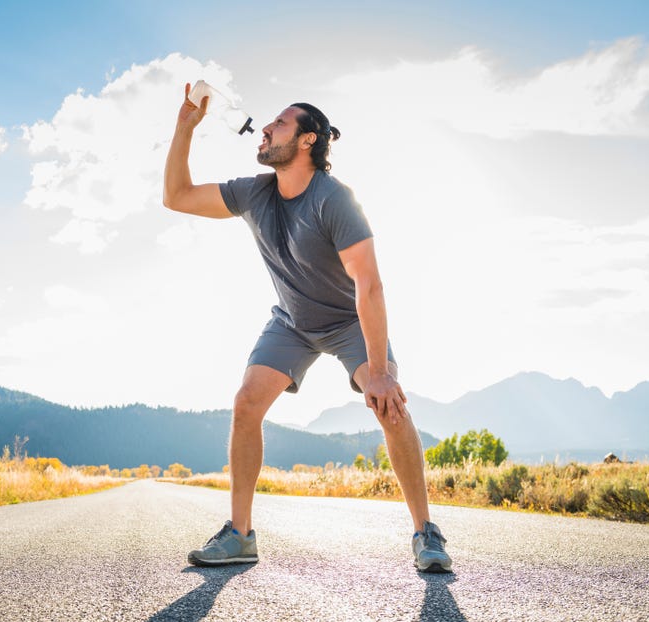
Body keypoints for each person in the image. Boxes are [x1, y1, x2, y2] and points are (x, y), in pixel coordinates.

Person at [163, 83, 452, 573]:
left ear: (306, 141)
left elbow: (369, 285)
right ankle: (239, 535)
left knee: (389, 404)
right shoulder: (254, 192)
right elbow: (176, 197)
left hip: (347, 320)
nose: (266, 128)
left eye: (279, 123)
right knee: (246, 401)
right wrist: (184, 128)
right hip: (292, 321)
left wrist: (378, 371)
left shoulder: (333, 199)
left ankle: (426, 533)